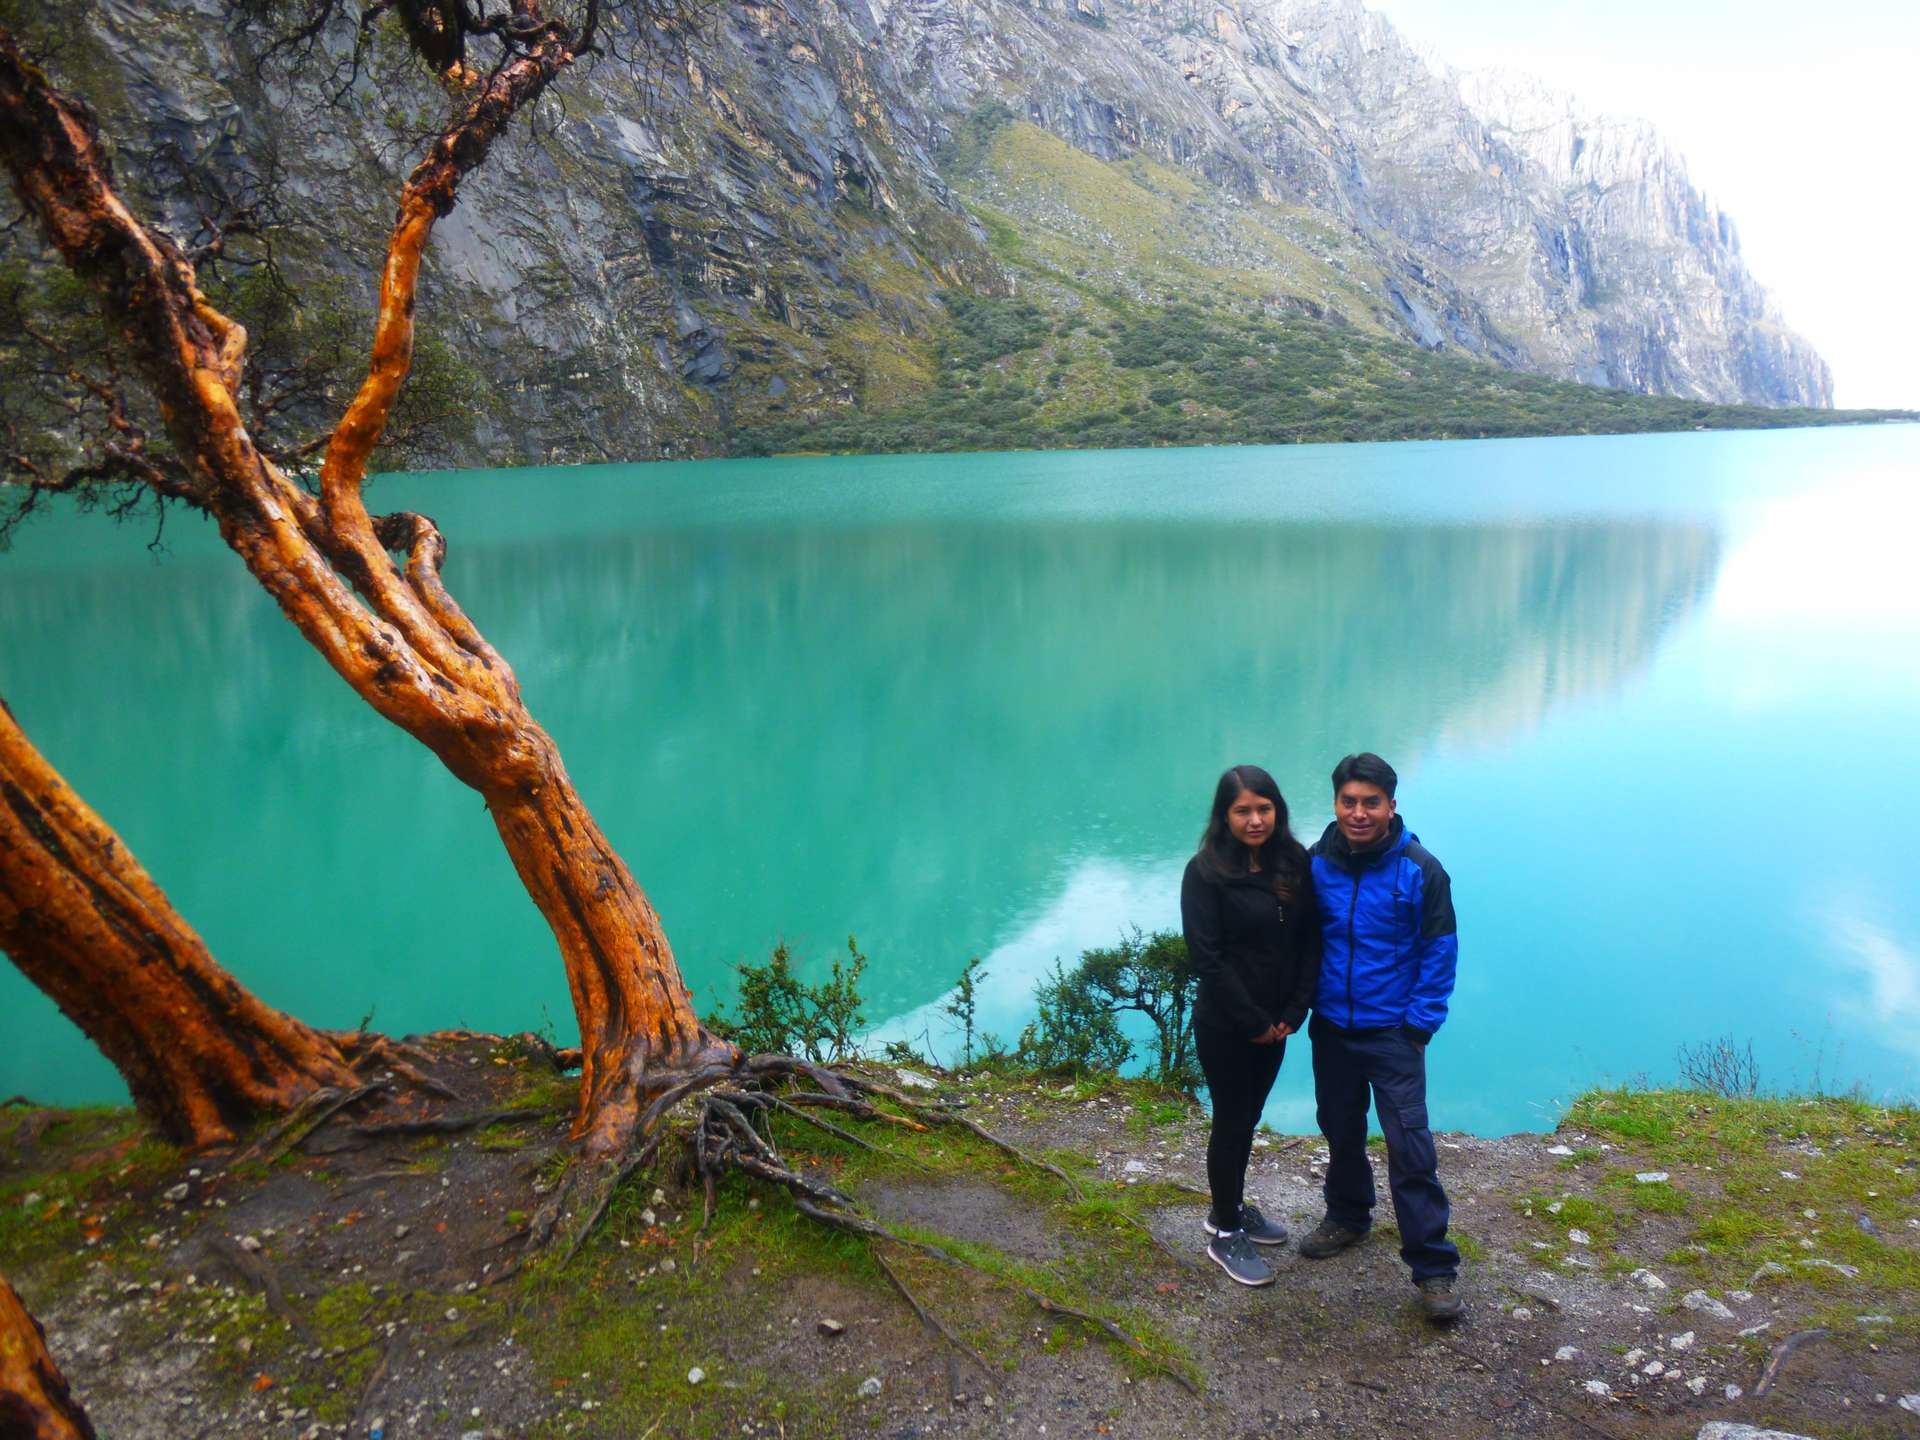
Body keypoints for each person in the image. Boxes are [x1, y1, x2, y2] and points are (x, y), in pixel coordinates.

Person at [1298, 752, 1463, 1320]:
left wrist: (1420, 1023)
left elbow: (1440, 951)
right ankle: (1348, 1215)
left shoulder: (1420, 869)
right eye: (1349, 802)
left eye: (1372, 802)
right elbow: (1294, 938)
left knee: (1410, 1148)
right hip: (1333, 1030)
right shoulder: (1315, 864)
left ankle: (1434, 1268)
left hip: (1393, 1032)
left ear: (1392, 806)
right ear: (1336, 804)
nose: (1360, 813)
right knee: (1340, 1131)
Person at [1181, 764, 1320, 1288]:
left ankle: (1231, 1205)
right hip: (1227, 1023)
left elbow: (1310, 940)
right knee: (1233, 1119)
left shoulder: (1293, 862)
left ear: (1277, 810)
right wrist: (1254, 1021)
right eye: (1243, 811)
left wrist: (1293, 1011)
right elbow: (1208, 958)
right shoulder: (1205, 872)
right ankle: (1223, 1228)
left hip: (1277, 1023)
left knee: (1249, 1114)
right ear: (1224, 816)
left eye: (1264, 809)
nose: (1256, 819)